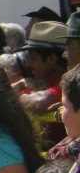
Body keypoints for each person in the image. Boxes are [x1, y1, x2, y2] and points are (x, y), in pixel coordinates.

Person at [17, 21, 68, 151]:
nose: (28, 63)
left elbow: (38, 103)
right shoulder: (39, 83)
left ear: (51, 58)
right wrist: (20, 84)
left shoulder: (69, 82)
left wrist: (20, 95)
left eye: (33, 58)